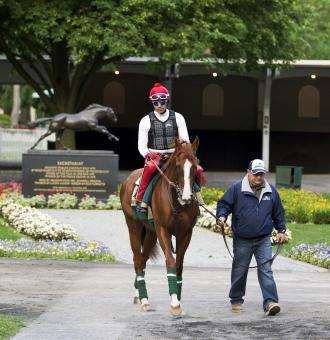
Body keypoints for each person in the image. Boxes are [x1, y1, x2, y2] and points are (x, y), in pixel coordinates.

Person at [216, 159, 286, 316]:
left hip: (263, 239)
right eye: (255, 174)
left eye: (261, 174)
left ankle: (270, 302)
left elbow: (279, 213)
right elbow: (224, 205)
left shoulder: (271, 191)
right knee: (239, 270)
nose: (259, 177)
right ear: (248, 172)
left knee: (266, 270)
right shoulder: (237, 188)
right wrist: (221, 217)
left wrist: (281, 230)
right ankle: (236, 299)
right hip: (242, 239)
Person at [136, 82, 204, 212]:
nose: (160, 105)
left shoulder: (178, 117)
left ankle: (196, 195)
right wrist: (147, 154)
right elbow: (141, 145)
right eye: (156, 103)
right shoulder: (145, 120)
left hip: (175, 155)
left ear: (167, 100)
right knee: (149, 169)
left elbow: (185, 141)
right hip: (155, 156)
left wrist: (184, 153)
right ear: (152, 102)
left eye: (162, 102)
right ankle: (141, 200)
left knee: (198, 170)